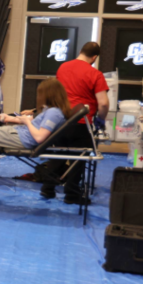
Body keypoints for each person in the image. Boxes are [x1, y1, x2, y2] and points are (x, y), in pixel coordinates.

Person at [46, 40, 110, 203]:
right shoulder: (95, 74)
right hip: (81, 122)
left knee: (58, 154)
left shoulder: (63, 67)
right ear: (94, 57)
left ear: (81, 51)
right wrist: (101, 120)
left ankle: (47, 189)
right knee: (79, 158)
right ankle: (71, 194)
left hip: (60, 119)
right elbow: (103, 103)